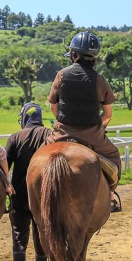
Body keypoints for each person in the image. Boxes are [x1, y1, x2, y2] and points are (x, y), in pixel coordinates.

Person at [47, 31, 123, 212]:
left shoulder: (61, 75)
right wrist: (100, 126)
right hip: (92, 136)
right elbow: (108, 113)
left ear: (73, 54)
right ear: (94, 58)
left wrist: (62, 124)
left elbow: (53, 107)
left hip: (62, 134)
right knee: (114, 156)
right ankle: (111, 195)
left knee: (38, 155)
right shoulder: (99, 79)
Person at [4, 102, 53, 261]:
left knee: (18, 235)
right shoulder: (49, 135)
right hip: (43, 196)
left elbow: (4, 166)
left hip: (20, 196)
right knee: (41, 233)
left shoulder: (16, 137)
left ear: (24, 118)